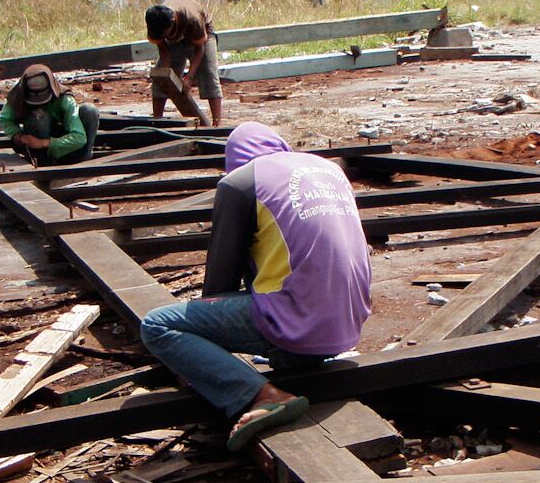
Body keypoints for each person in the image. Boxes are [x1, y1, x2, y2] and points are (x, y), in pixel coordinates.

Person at [141, 122, 372, 452]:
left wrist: (200, 358)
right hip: (347, 326)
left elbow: (218, 284)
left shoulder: (240, 182)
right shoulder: (328, 170)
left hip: (299, 327)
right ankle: (293, 354)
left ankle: (264, 396)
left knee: (157, 325)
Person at [0, 64, 99, 165]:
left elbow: (79, 138)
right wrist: (18, 136)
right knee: (40, 115)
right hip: (38, 148)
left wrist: (43, 143)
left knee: (89, 111)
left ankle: (82, 160)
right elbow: (5, 119)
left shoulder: (64, 99)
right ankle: (42, 161)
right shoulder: (18, 96)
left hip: (63, 142)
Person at [146, 0, 223, 125]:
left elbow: (200, 49)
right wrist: (166, 74)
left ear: (172, 22)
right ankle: (157, 121)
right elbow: (164, 50)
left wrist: (189, 77)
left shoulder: (192, 19)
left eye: (164, 33)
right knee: (160, 79)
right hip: (175, 38)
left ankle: (217, 124)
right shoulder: (155, 22)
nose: (161, 36)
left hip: (203, 36)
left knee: (208, 74)